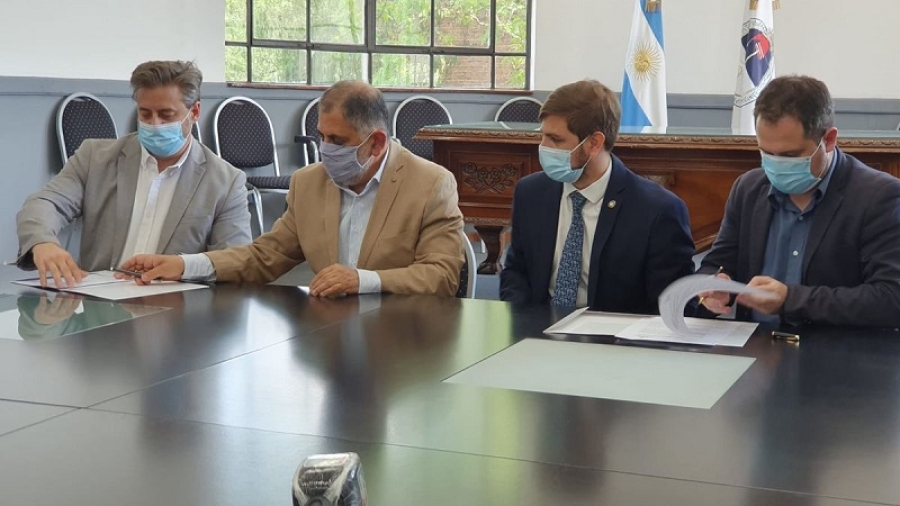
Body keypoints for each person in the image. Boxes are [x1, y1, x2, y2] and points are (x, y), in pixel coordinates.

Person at [121, 81, 464, 297]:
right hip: (329, 339)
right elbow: (263, 257)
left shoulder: (431, 184)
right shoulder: (309, 183)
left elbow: (442, 276)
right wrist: (184, 265)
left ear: (376, 143)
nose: (325, 149)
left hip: (403, 336)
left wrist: (364, 280)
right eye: (322, 136)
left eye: (338, 141)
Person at [16, 60, 252, 288]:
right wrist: (43, 241)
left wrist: (184, 266)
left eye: (166, 114)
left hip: (177, 305)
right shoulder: (95, 158)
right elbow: (45, 203)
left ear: (195, 112)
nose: (155, 124)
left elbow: (235, 261)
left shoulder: (225, 181)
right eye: (145, 114)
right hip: (100, 301)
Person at [698, 75, 900, 327]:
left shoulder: (879, 197)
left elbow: (891, 298)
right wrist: (715, 284)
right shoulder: (749, 188)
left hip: (835, 347)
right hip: (754, 343)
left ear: (829, 140)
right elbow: (717, 263)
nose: (776, 165)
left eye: (790, 155)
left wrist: (790, 300)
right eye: (766, 153)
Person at [500, 79, 695, 313]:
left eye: (556, 139)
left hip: (614, 333)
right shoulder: (531, 193)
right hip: (536, 328)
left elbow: (672, 304)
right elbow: (516, 272)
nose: (544, 147)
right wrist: (524, 321)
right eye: (543, 136)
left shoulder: (656, 210)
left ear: (594, 143)